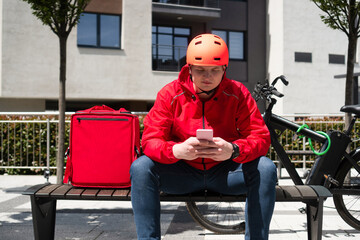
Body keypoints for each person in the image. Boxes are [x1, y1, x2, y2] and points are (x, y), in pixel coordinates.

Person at [130, 33, 277, 240]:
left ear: (224, 69)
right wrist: (176, 151)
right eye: (200, 70)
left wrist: (233, 150)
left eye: (214, 70)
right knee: (141, 167)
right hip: (182, 174)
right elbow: (150, 141)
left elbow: (260, 138)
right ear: (189, 68)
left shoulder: (239, 94)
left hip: (226, 174)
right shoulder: (170, 94)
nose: (207, 77)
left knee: (266, 168)